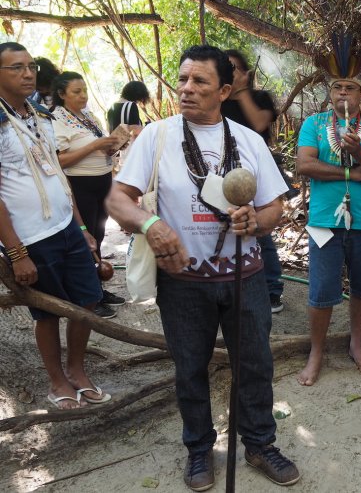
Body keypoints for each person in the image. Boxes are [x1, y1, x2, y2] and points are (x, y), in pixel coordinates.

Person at [106, 44, 300, 491]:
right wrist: (151, 225)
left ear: (224, 90)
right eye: (182, 80)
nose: (186, 89)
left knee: (255, 364)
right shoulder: (156, 137)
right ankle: (199, 449)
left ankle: (259, 443)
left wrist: (257, 221)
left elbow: (275, 207)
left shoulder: (248, 140)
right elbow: (118, 198)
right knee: (190, 367)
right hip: (183, 280)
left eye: (199, 81)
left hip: (245, 276)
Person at [0, 42, 110, 409]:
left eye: (31, 66)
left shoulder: (40, 116)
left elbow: (58, 178)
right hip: (31, 237)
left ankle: (77, 370)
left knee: (88, 298)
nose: (28, 73)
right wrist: (17, 253)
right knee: (47, 312)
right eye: (16, 67)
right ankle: (57, 380)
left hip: (65, 226)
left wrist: (82, 228)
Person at [295, 68, 361, 386]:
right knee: (321, 289)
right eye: (337, 87)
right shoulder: (314, 124)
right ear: (330, 92)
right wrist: (352, 172)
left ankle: (356, 344)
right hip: (324, 220)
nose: (343, 93)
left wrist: (359, 151)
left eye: (350, 88)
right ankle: (317, 352)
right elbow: (304, 164)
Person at [222, 49, 294, 313]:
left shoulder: (260, 98)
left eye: (233, 67)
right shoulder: (217, 102)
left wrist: (242, 92)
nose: (228, 72)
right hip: (222, 172)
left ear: (245, 72)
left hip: (255, 172)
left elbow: (259, 124)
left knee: (261, 230)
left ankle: (272, 289)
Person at [50, 72, 123, 319]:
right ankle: (88, 296)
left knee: (98, 235)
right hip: (80, 185)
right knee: (85, 238)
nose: (83, 96)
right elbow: (60, 160)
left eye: (84, 90)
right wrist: (95, 145)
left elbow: (98, 147)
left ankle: (98, 289)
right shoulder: (56, 119)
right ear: (62, 94)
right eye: (76, 92)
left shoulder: (88, 116)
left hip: (102, 181)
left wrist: (111, 147)